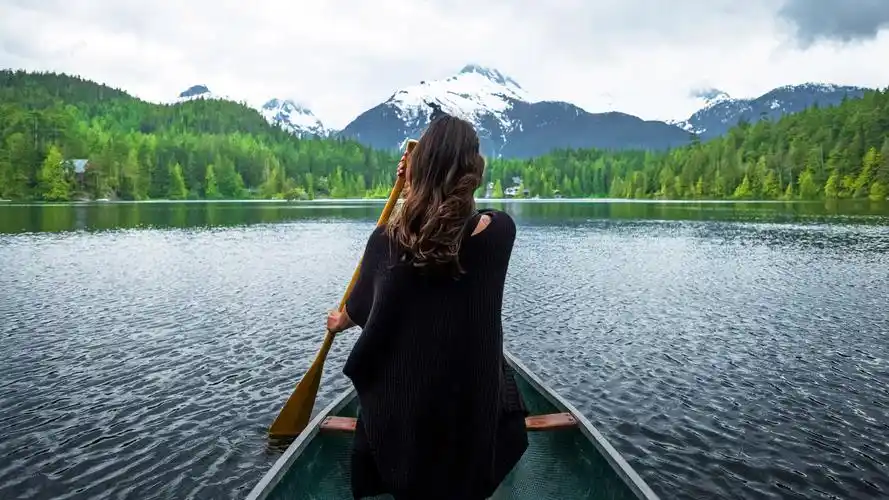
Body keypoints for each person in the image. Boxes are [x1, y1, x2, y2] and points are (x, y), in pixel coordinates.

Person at [326, 115, 529, 500]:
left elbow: (363, 308)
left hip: (404, 420)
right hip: (470, 415)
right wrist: (423, 181)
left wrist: (340, 322)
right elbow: (463, 222)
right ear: (473, 172)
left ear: (419, 171)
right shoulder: (500, 233)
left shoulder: (385, 242)